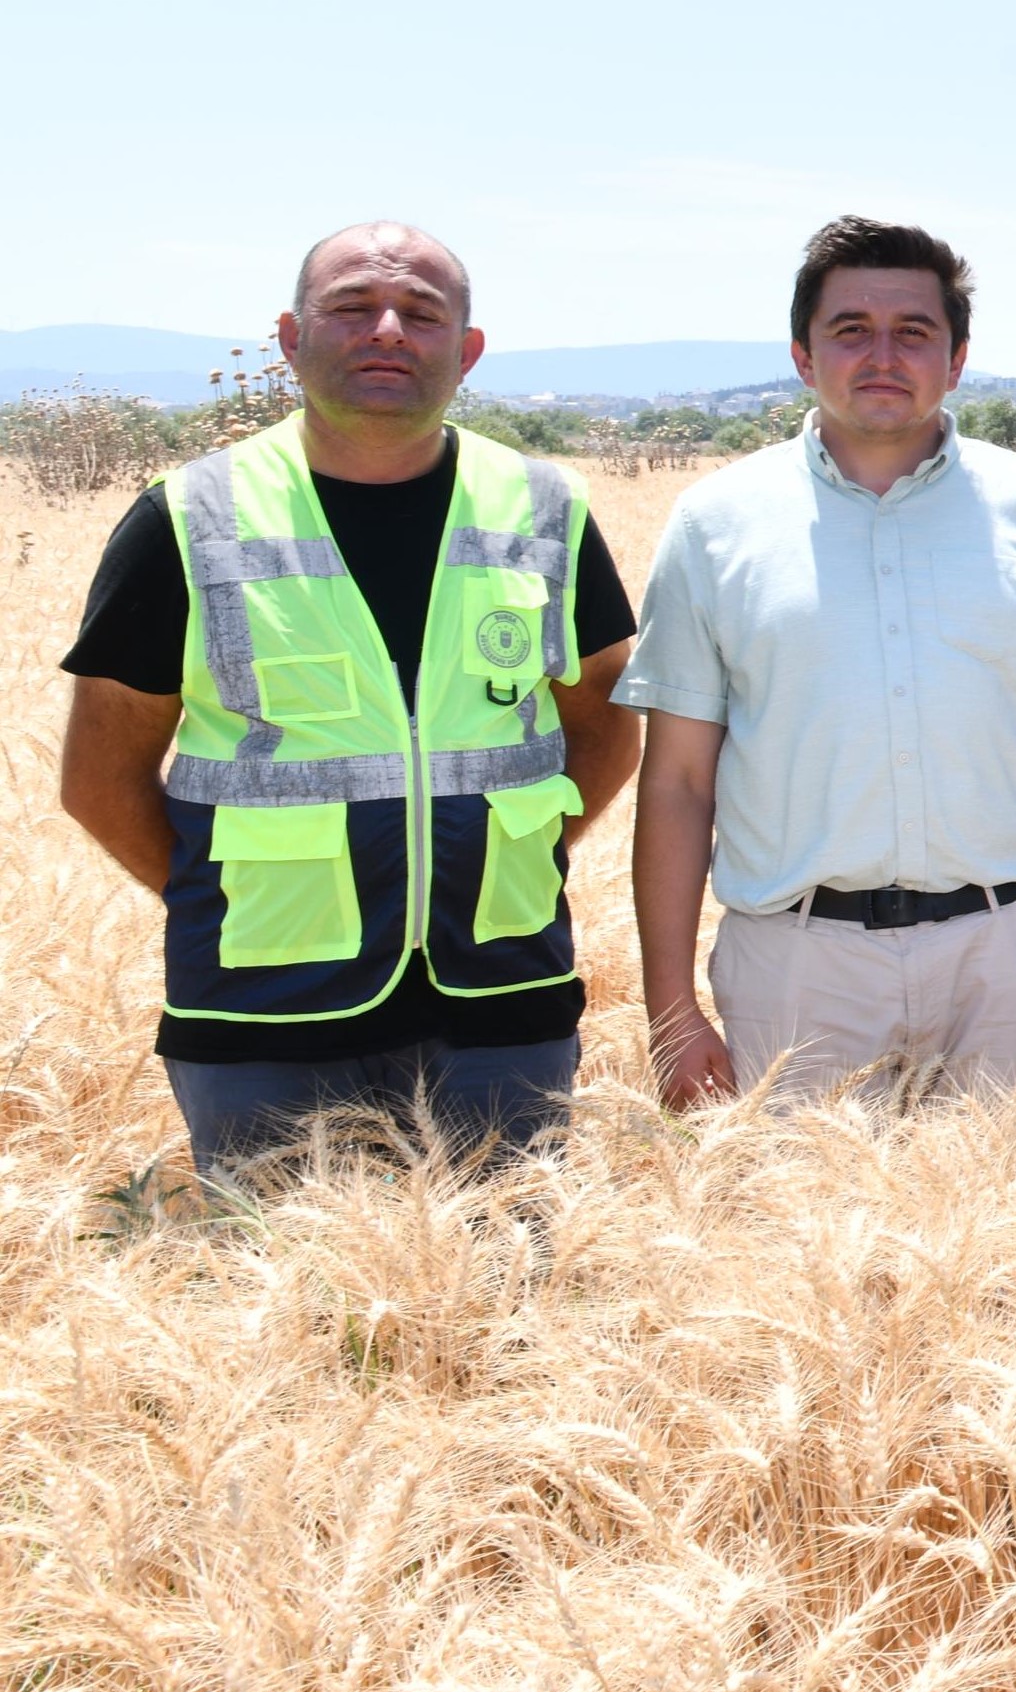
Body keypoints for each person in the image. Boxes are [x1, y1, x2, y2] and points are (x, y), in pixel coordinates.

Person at [54, 223, 642, 1179]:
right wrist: (228, 889)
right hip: (259, 1017)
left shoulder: (545, 509)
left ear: (468, 350)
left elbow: (609, 727)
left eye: (422, 313)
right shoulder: (188, 517)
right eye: (351, 308)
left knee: (508, 1303)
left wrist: (518, 848)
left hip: (504, 1004)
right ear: (290, 339)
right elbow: (99, 776)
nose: (387, 331)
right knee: (275, 1304)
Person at [622, 219, 1016, 1112]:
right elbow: (675, 782)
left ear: (958, 358)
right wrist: (671, 1007)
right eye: (850, 330)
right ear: (801, 353)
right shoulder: (716, 524)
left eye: (914, 333)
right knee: (790, 1242)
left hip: (1007, 959)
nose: (882, 355)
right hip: (796, 967)